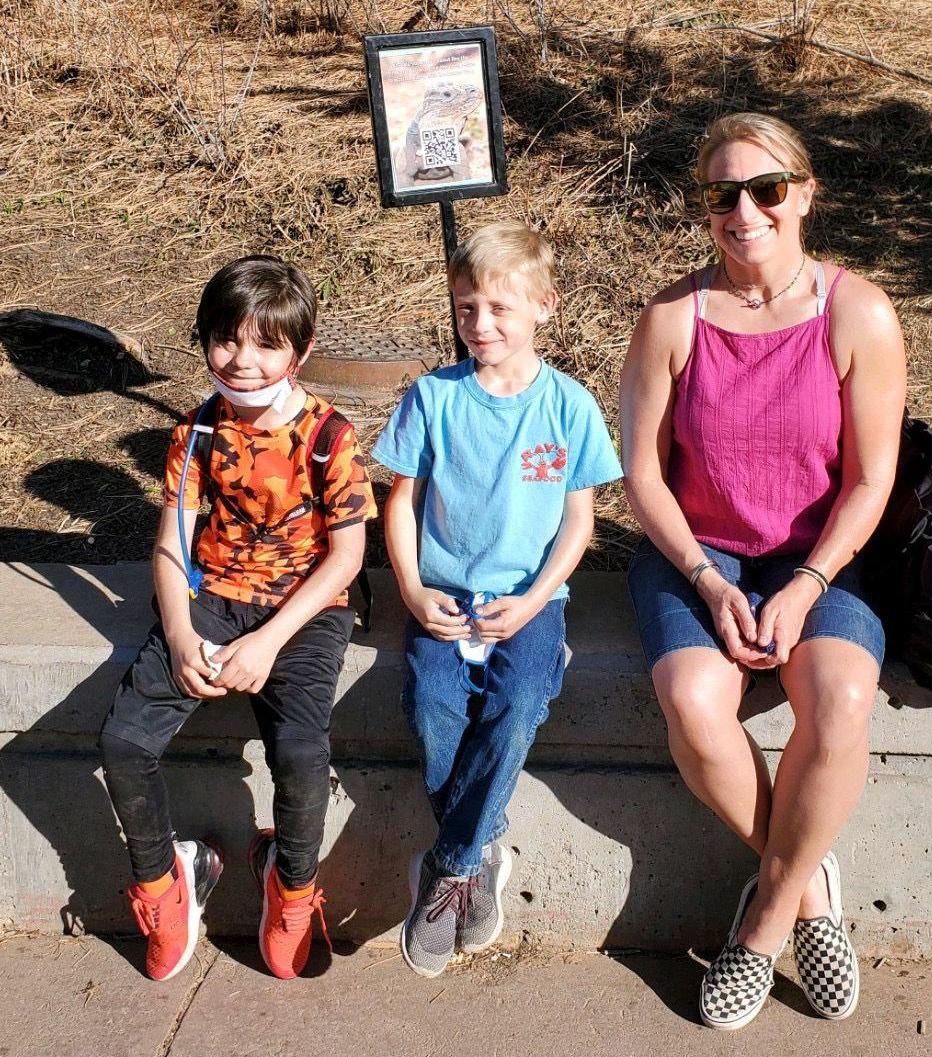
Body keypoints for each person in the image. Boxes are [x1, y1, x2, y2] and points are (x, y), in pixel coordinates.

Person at [620, 113, 906, 1029]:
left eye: (765, 189)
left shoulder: (855, 311)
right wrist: (708, 580)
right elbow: (640, 475)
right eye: (720, 194)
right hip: (696, 554)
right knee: (698, 708)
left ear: (804, 194)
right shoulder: (672, 316)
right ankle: (809, 887)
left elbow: (870, 480)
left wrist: (806, 583)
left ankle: (763, 921)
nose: (743, 211)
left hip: (820, 555)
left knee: (841, 700)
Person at [99, 256, 376, 982]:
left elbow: (346, 559)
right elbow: (169, 548)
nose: (243, 361)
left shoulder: (327, 435)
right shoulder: (194, 433)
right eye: (226, 340)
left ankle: (289, 885)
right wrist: (186, 634)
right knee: (124, 742)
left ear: (300, 350)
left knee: (301, 756)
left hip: (303, 610)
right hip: (213, 599)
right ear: (204, 340)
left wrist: (268, 640)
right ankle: (166, 885)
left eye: (266, 344)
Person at [372, 220, 622, 978]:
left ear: (545, 306)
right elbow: (400, 500)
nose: (481, 325)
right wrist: (412, 590)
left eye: (499, 309)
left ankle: (448, 864)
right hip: (443, 596)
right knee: (433, 706)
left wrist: (536, 598)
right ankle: (479, 853)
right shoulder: (433, 397)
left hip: (527, 601)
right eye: (465, 308)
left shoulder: (569, 406)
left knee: (516, 705)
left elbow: (578, 521)